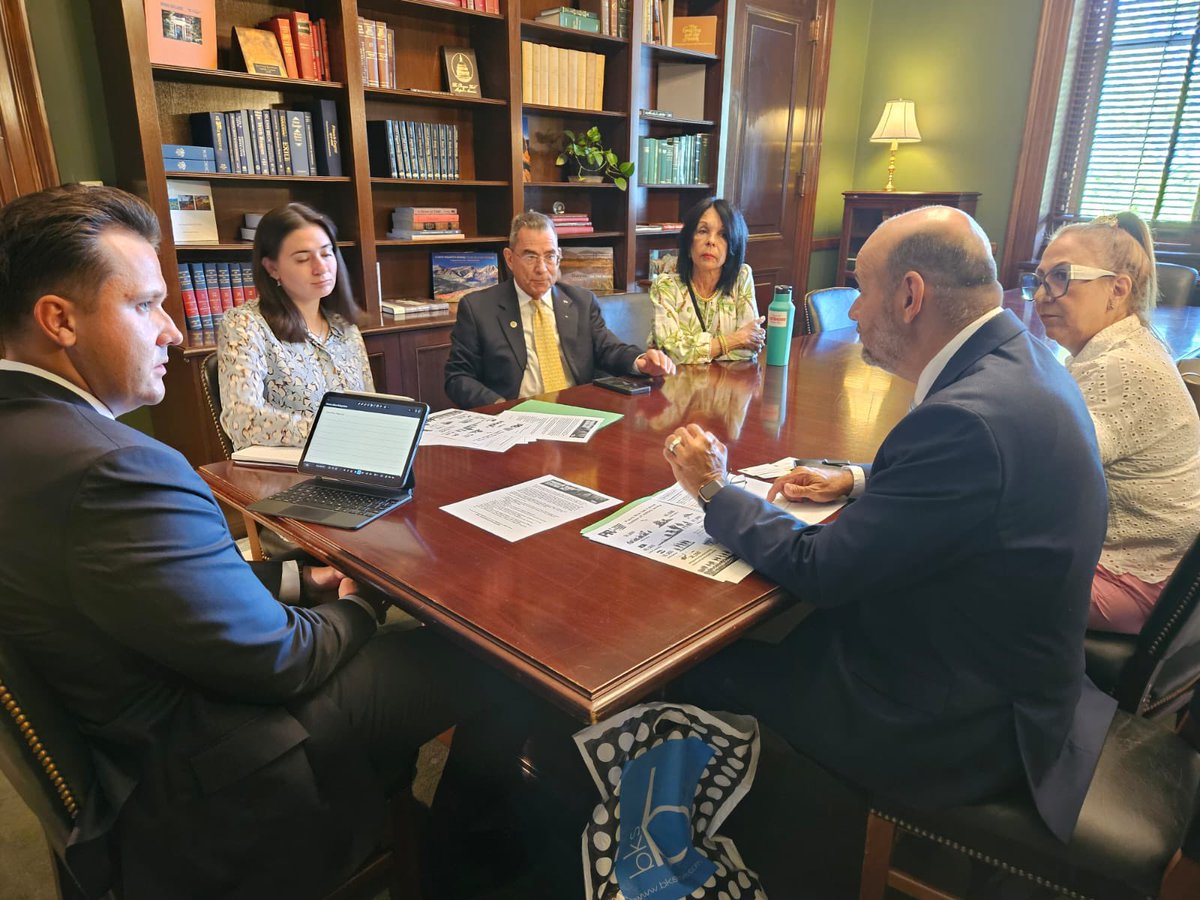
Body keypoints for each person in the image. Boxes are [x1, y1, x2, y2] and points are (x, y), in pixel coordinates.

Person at [0, 184, 486, 900]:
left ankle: (399, 806)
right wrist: (358, 608)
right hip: (214, 767)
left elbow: (159, 593)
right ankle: (473, 861)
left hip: (129, 722)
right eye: (144, 305)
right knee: (474, 659)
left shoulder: (29, 440)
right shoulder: (114, 468)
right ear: (58, 321)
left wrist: (300, 583)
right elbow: (279, 661)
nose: (170, 331)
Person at [661, 206, 1116, 890]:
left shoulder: (962, 421)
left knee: (689, 671)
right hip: (1015, 670)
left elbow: (822, 570)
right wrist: (860, 478)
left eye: (863, 291)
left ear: (910, 296)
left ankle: (733, 856)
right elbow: (981, 481)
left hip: (962, 721)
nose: (854, 313)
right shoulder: (1025, 365)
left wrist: (714, 490)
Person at [1031, 211, 1200, 633]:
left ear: (1118, 289)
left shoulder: (1118, 367)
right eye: (1040, 279)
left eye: (1061, 277)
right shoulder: (1126, 344)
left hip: (1139, 581)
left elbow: (1037, 476)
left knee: (948, 567)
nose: (1041, 295)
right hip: (1170, 570)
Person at [444, 210, 676, 408]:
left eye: (550, 256)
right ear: (510, 259)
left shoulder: (581, 302)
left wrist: (641, 361)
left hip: (576, 413)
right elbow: (458, 378)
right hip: (514, 418)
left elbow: (608, 348)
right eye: (530, 256)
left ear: (559, 258)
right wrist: (501, 407)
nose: (542, 269)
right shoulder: (478, 309)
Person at [217, 202, 373, 450]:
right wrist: (330, 432)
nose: (321, 268)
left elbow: (369, 406)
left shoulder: (344, 325)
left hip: (351, 458)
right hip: (285, 473)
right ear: (272, 268)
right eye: (302, 259)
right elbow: (242, 419)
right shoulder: (245, 324)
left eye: (326, 253)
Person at [650, 197, 765, 363]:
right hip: (677, 385)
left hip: (729, 384)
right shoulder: (665, 286)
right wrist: (735, 340)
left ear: (734, 245)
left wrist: (694, 351)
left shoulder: (741, 278)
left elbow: (749, 350)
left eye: (723, 235)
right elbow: (672, 353)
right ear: (689, 243)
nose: (711, 241)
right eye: (702, 231)